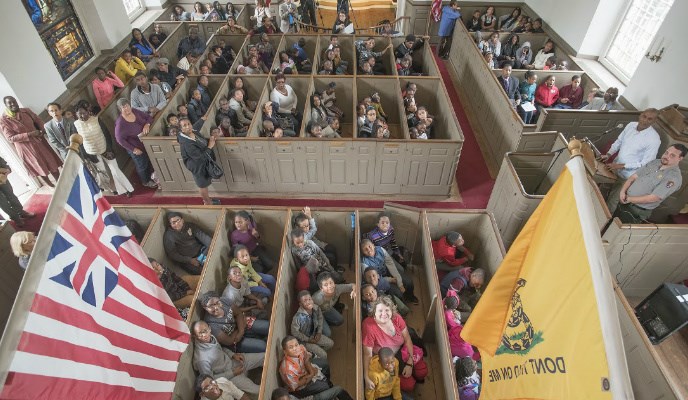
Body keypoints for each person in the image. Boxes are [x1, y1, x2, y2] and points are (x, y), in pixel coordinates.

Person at [362, 297, 428, 394]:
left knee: (422, 371)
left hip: (403, 351)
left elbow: (407, 338)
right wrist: (366, 377)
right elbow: (367, 354)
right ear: (374, 313)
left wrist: (410, 363)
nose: (384, 314)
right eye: (380, 310)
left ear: (391, 311)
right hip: (389, 360)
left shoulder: (396, 317)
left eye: (387, 310)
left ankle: (414, 375)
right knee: (409, 385)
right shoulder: (369, 327)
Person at [611, 144, 686, 223]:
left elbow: (654, 197)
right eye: (666, 152)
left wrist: (628, 199)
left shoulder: (673, 178)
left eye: (672, 155)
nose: (666, 156)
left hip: (636, 210)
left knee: (618, 231)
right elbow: (634, 177)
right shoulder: (655, 162)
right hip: (624, 200)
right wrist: (622, 192)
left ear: (680, 158)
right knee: (611, 222)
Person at [73, 102, 134, 197]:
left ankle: (126, 189)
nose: (82, 115)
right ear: (76, 115)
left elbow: (107, 134)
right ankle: (111, 189)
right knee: (102, 173)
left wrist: (109, 149)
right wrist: (85, 156)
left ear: (88, 112)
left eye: (84, 113)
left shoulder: (97, 119)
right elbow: (79, 142)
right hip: (91, 152)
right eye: (79, 114)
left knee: (115, 170)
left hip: (105, 149)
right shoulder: (75, 125)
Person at [1, 96, 62, 187]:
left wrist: (43, 130)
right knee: (39, 167)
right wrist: (29, 134)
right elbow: (10, 138)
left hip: (39, 142)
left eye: (14, 101)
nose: (13, 104)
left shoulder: (26, 111)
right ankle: (51, 186)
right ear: (6, 105)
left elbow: (38, 120)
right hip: (26, 148)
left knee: (51, 162)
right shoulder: (4, 120)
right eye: (10, 103)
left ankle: (60, 183)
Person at [192, 320, 266, 394]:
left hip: (232, 361)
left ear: (209, 329)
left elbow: (221, 349)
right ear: (195, 336)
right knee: (258, 390)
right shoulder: (201, 359)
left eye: (205, 331)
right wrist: (233, 373)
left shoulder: (211, 338)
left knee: (264, 357)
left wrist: (233, 355)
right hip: (228, 376)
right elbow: (212, 380)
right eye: (200, 333)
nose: (204, 335)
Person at [279, 336, 353, 399]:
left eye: (296, 345)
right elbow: (296, 385)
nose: (295, 348)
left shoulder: (300, 348)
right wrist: (311, 374)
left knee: (324, 363)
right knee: (324, 387)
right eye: (291, 347)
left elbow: (307, 358)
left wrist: (310, 369)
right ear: (285, 351)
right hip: (299, 388)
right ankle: (326, 388)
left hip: (305, 371)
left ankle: (327, 382)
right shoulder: (287, 370)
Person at [199, 291, 270, 353]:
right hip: (236, 341)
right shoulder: (210, 325)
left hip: (241, 326)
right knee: (263, 346)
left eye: (217, 302)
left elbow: (238, 313)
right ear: (205, 308)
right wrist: (240, 331)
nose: (216, 307)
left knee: (268, 327)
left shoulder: (224, 301)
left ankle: (258, 336)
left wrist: (241, 331)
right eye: (211, 306)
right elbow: (229, 341)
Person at [114, 98, 158, 189]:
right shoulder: (120, 124)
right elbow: (119, 140)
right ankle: (145, 181)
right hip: (135, 147)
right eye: (123, 107)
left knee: (148, 161)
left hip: (145, 142)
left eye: (127, 106)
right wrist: (134, 149)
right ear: (120, 109)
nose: (127, 109)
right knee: (142, 165)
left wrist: (147, 124)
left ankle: (151, 176)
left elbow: (148, 117)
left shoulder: (135, 111)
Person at [360, 238, 418, 304]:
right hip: (380, 280)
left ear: (373, 245)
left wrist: (399, 283)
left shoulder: (380, 250)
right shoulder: (365, 263)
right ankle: (404, 304)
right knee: (398, 293)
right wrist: (390, 279)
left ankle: (410, 297)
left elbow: (390, 264)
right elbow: (373, 280)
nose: (369, 250)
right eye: (365, 249)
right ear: (363, 252)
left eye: (369, 246)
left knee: (409, 282)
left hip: (388, 270)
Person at [178, 117, 221, 205]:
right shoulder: (186, 143)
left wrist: (202, 119)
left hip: (203, 163)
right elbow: (200, 157)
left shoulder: (193, 131)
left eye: (189, 124)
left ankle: (208, 200)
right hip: (197, 166)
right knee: (203, 185)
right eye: (184, 126)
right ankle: (207, 202)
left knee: (206, 181)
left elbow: (196, 126)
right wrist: (210, 146)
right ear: (181, 129)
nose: (188, 127)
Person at [291, 290, 334, 359]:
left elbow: (320, 319)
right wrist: (308, 340)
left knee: (330, 344)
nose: (308, 302)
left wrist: (319, 332)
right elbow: (294, 332)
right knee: (324, 355)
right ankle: (312, 356)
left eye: (309, 299)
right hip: (304, 341)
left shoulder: (316, 308)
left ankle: (316, 353)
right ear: (300, 304)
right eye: (305, 301)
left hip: (314, 335)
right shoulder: (298, 317)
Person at [0, 156, 35, 227]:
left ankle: (21, 212)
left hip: (1, 176)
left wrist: (6, 168)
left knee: (11, 195)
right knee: (2, 203)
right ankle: (16, 219)